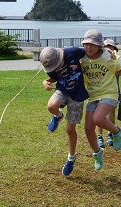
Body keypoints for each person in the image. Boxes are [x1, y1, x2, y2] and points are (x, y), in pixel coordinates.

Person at [80, 29, 121, 170]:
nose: (88, 47)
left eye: (92, 44)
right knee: (88, 129)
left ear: (99, 45)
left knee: (98, 118)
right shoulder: (82, 58)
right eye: (86, 44)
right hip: (93, 95)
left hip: (109, 93)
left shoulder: (109, 57)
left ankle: (116, 132)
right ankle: (97, 153)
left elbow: (119, 70)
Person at [40, 46, 89, 176]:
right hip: (62, 89)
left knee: (69, 130)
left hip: (77, 95)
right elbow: (54, 77)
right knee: (51, 106)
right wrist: (45, 81)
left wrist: (108, 51)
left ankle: (71, 158)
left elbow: (90, 50)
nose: (56, 68)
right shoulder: (51, 66)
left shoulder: (72, 52)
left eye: (57, 65)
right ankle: (58, 116)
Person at [96, 39, 119, 148]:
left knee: (111, 114)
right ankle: (99, 136)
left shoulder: (117, 59)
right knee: (99, 115)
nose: (109, 49)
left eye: (111, 47)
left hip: (111, 92)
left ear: (115, 49)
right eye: (106, 46)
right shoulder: (98, 58)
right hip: (98, 91)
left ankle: (110, 133)